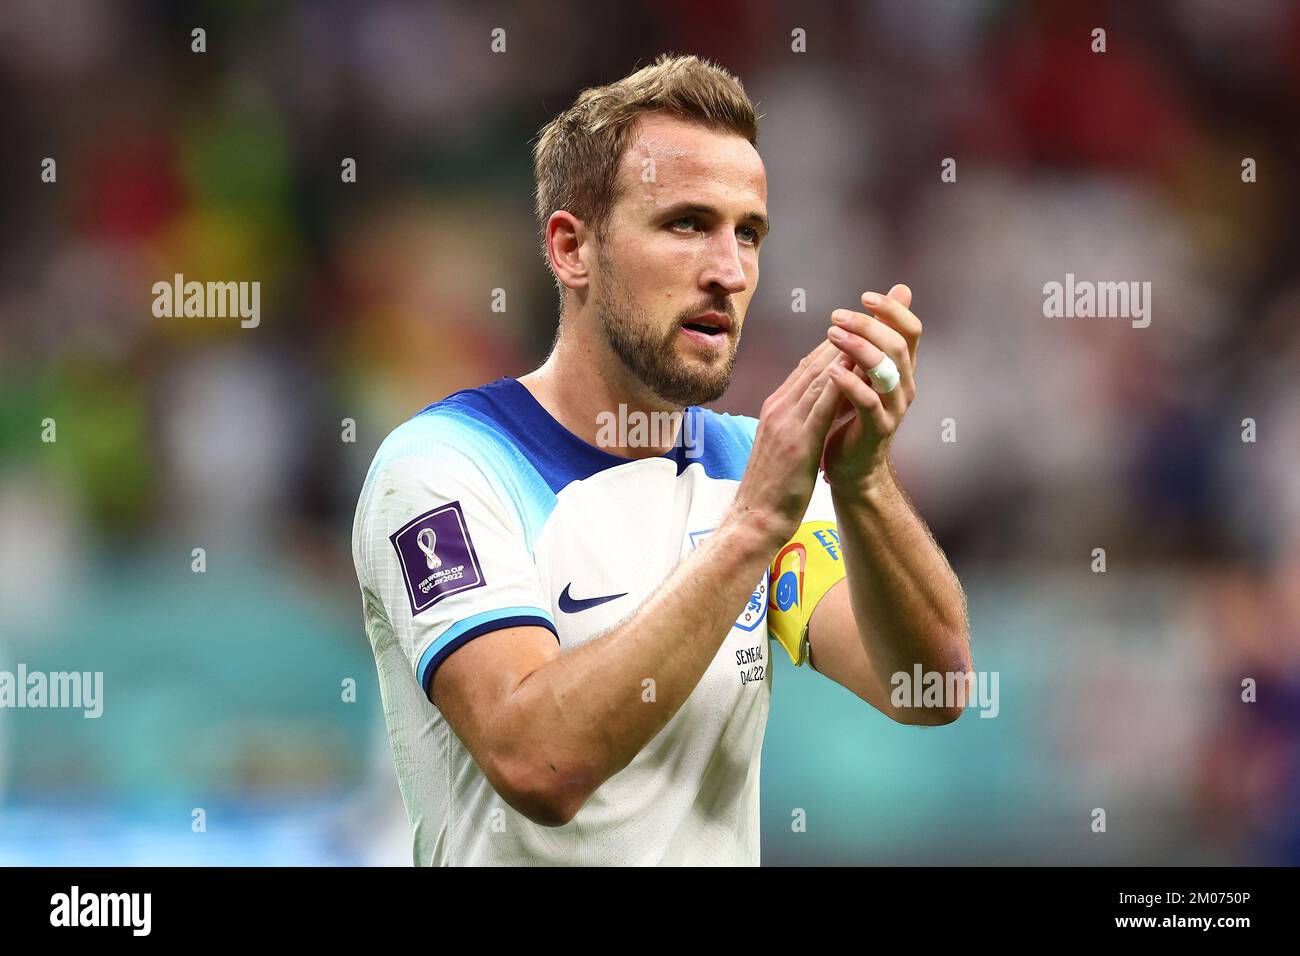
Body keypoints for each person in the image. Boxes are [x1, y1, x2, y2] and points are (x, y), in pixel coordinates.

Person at [352, 53, 971, 866]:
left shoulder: (746, 464)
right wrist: (750, 529)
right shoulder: (445, 467)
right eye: (686, 224)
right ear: (573, 249)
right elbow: (538, 764)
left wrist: (863, 483)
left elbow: (930, 689)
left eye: (747, 233)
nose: (729, 271)